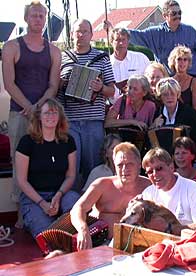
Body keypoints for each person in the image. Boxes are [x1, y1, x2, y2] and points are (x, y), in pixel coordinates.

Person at [2, 0, 61, 228]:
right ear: (26, 18)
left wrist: (39, 108)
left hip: (45, 116)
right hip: (19, 115)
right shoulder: (12, 47)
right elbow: (9, 83)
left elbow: (53, 84)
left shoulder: (54, 51)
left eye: (42, 16)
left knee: (46, 161)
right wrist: (29, 107)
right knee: (20, 165)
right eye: (34, 15)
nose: (38, 19)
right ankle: (20, 213)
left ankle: (47, 207)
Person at [57, 19, 115, 191]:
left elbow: (112, 90)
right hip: (69, 121)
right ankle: (71, 208)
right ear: (71, 34)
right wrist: (62, 83)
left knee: (93, 167)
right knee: (70, 168)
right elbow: (54, 87)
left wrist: (101, 87)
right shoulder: (62, 57)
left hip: (93, 121)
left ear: (91, 35)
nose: (80, 35)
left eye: (84, 32)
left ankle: (92, 211)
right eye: (77, 31)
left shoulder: (102, 58)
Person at [15, 99, 79, 238]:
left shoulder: (68, 141)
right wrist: (42, 203)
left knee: (75, 206)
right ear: (39, 117)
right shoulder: (26, 142)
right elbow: (22, 180)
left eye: (54, 113)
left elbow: (71, 175)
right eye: (46, 113)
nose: (51, 116)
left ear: (60, 116)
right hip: (34, 198)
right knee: (48, 236)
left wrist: (59, 195)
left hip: (61, 195)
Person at [70, 142, 151, 250]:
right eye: (120, 165)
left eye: (129, 164)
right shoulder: (102, 185)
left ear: (139, 164)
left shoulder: (150, 187)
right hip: (101, 245)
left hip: (139, 246)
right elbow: (78, 208)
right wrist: (83, 230)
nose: (124, 169)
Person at [141, 147, 196, 235]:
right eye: (150, 172)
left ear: (171, 167)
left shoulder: (193, 189)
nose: (155, 174)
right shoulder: (147, 193)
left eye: (159, 168)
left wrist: (169, 228)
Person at [129, 0, 196, 77]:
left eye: (179, 13)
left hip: (192, 79)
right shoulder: (155, 33)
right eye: (174, 13)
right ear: (164, 15)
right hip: (168, 82)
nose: (178, 16)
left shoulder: (190, 31)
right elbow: (136, 35)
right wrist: (120, 32)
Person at [151, 77, 196, 158]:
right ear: (160, 97)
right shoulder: (157, 113)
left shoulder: (189, 113)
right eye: (165, 94)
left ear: (177, 94)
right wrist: (154, 126)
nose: (169, 97)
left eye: (172, 93)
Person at [109, 28, 150, 103]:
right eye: (117, 40)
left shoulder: (141, 58)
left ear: (128, 41)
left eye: (123, 39)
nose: (121, 43)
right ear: (111, 42)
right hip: (114, 107)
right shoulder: (107, 63)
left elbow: (150, 81)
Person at [169, 46, 196, 112]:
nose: (182, 62)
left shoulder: (194, 82)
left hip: (188, 119)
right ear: (173, 61)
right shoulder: (169, 82)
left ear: (188, 62)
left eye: (185, 59)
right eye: (179, 59)